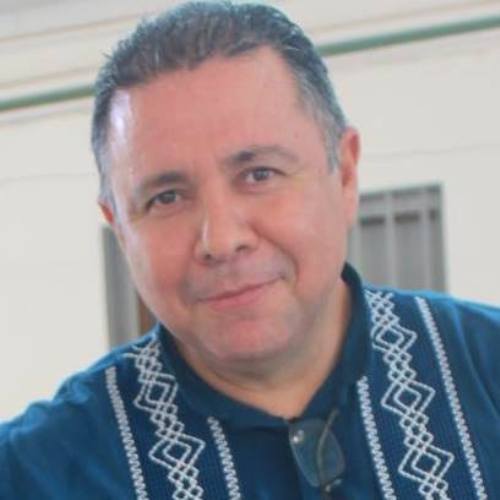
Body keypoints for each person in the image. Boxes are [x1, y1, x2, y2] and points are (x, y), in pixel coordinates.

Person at [1, 1, 499, 498]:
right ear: (120, 228)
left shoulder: (486, 371)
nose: (221, 239)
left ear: (345, 175)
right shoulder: (35, 475)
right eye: (167, 198)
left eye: (259, 174)